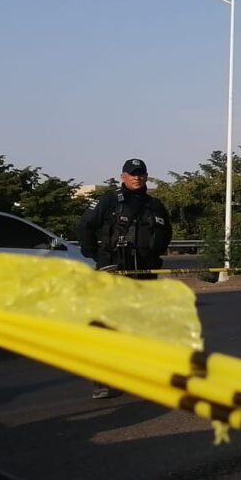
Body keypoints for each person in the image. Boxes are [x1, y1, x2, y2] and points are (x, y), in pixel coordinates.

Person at [78, 158, 173, 398]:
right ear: (123, 177)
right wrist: (93, 254)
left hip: (144, 271)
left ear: (146, 176)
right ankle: (102, 381)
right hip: (114, 268)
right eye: (132, 174)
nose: (136, 177)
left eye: (140, 174)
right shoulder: (110, 201)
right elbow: (86, 226)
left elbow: (166, 235)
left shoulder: (155, 205)